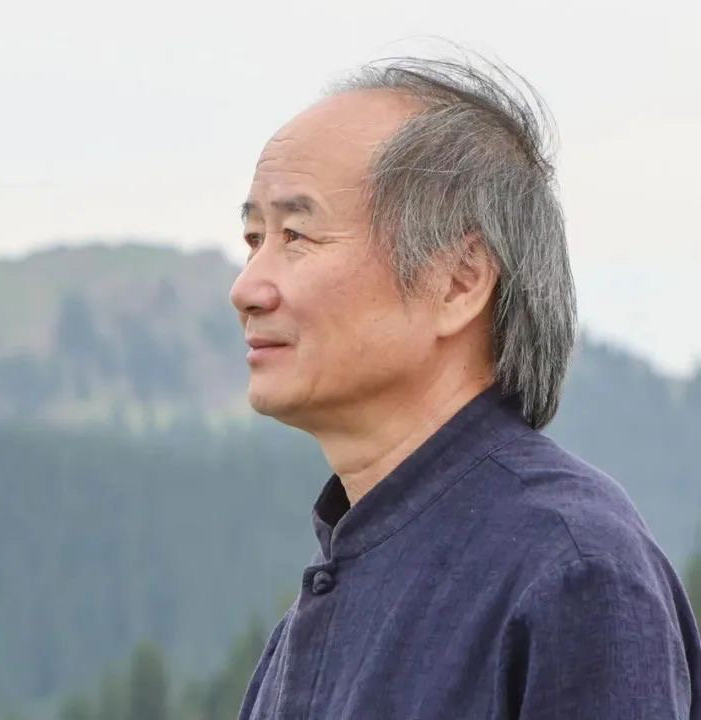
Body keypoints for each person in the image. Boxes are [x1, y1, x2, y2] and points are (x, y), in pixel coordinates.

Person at [229, 55, 701, 719]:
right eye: (254, 238)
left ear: (459, 280)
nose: (246, 288)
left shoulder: (573, 569)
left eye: (296, 235)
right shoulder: (334, 595)